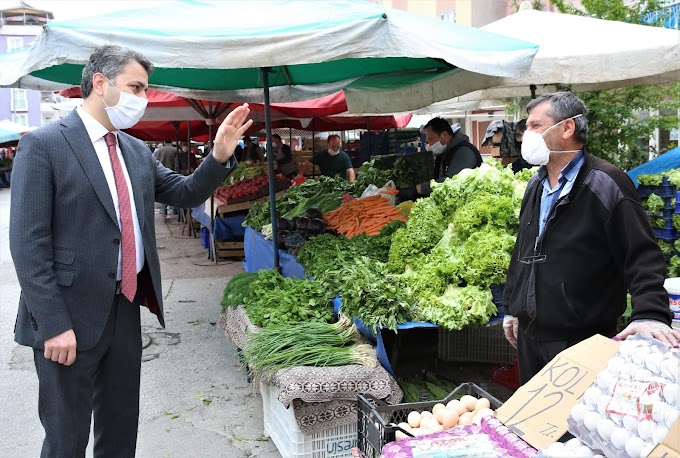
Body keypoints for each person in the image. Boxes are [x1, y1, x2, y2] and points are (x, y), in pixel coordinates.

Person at [9, 44, 252, 457]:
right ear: (100, 83)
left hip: (124, 308)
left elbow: (185, 191)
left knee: (120, 428)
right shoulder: (46, 145)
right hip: (68, 314)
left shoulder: (135, 151)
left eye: (145, 89)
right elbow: (28, 244)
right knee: (66, 437)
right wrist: (51, 323)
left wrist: (219, 155)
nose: (142, 98)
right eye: (135, 86)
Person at [502, 91, 679, 385]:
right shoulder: (536, 183)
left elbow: (641, 253)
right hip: (531, 336)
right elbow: (524, 247)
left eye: (535, 126)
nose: (525, 136)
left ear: (567, 128)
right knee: (533, 426)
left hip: (582, 337)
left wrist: (649, 313)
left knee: (578, 425)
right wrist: (512, 306)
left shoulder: (606, 183)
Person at [397, 117, 482, 200]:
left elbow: (451, 182)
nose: (429, 145)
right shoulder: (444, 154)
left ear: (444, 135)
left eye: (431, 139)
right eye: (427, 142)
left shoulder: (464, 152)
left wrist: (419, 189)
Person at [153, 140, 178, 216]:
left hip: (161, 173)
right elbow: (177, 162)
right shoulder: (175, 150)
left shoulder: (160, 150)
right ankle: (174, 210)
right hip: (172, 172)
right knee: (173, 192)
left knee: (164, 193)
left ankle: (163, 210)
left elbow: (155, 161)